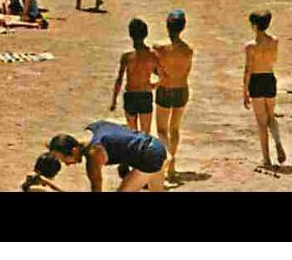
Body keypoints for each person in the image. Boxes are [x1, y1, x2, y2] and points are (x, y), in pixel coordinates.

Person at [34, 122, 167, 192]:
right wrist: (124, 164)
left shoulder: (93, 155)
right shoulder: (94, 127)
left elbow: (96, 189)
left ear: (74, 150)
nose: (68, 164)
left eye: (66, 160)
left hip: (149, 157)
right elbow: (123, 134)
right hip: (157, 146)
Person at [242, 10, 289, 167]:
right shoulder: (274, 41)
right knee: (271, 116)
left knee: (261, 122)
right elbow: (274, 60)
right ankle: (278, 142)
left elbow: (248, 69)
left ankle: (266, 158)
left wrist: (245, 90)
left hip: (256, 80)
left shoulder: (250, 46)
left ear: (254, 26)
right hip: (269, 78)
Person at [153, 10, 193, 183]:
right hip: (182, 89)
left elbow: (155, 69)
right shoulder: (188, 50)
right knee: (174, 129)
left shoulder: (159, 47)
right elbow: (186, 71)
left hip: (165, 89)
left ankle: (168, 156)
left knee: (161, 130)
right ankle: (172, 167)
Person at [113, 18, 160, 133]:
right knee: (145, 133)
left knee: (132, 133)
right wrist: (154, 85)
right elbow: (163, 75)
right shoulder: (152, 56)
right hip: (145, 94)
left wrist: (114, 100)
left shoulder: (127, 57)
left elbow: (119, 80)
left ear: (130, 34)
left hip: (130, 95)